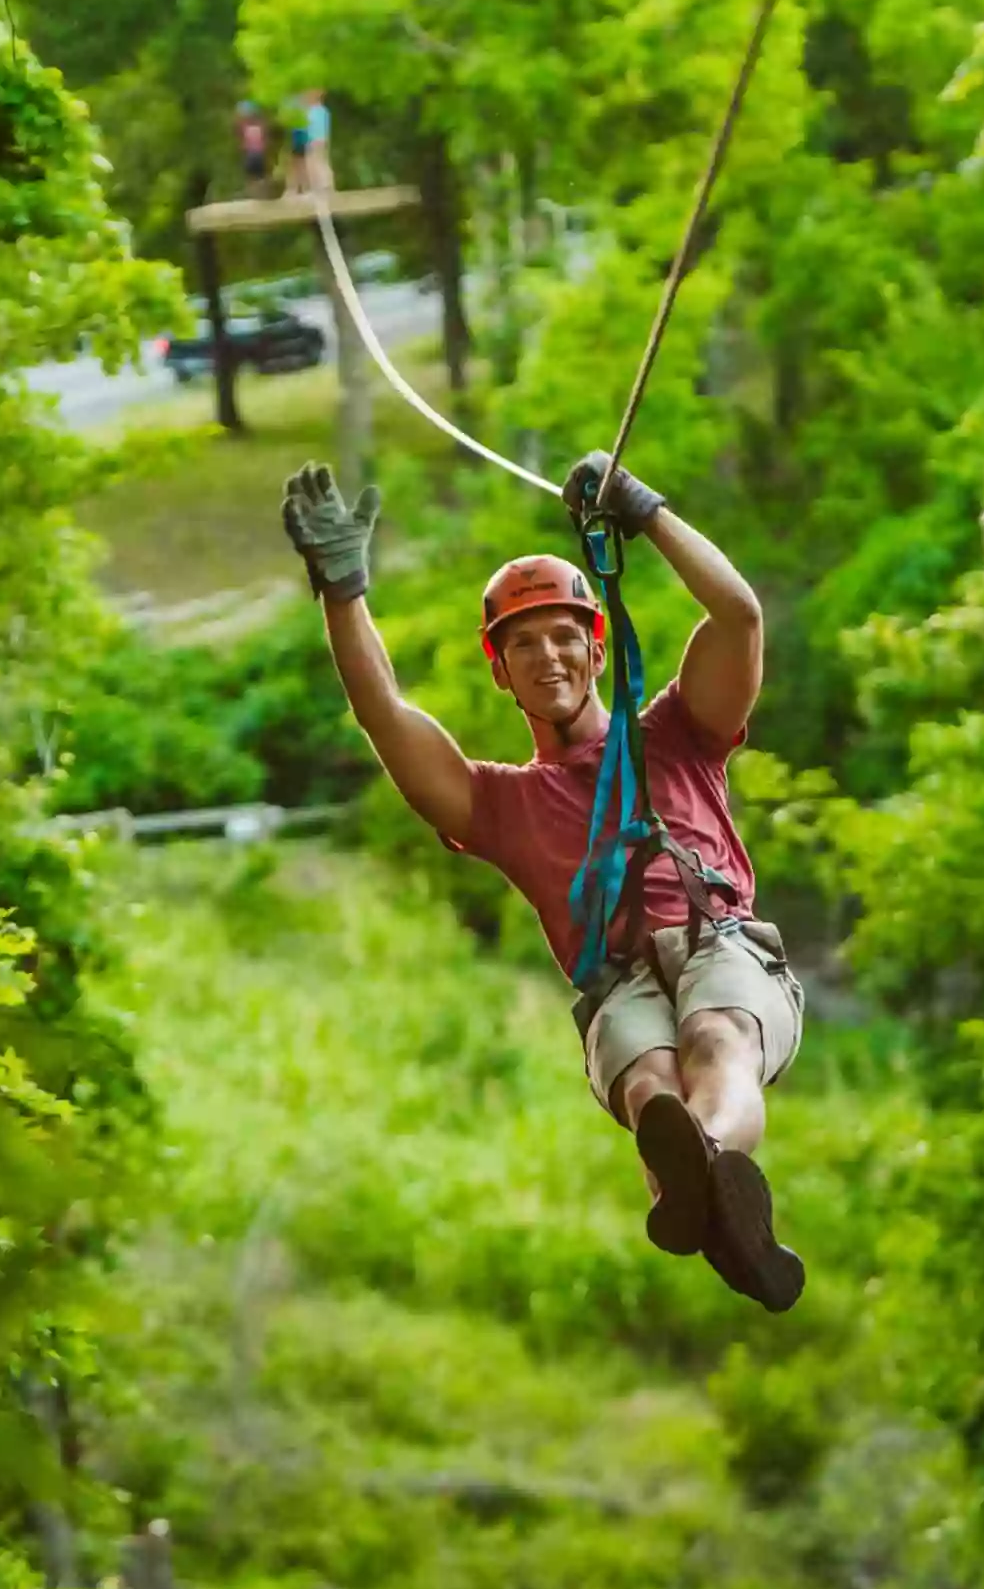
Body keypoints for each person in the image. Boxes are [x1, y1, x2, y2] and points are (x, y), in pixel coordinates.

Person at [277, 455, 808, 1312]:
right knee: (647, 1084)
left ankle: (702, 1165)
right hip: (619, 982)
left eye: (564, 634)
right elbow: (386, 715)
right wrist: (343, 592)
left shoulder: (678, 731)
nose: (547, 655)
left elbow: (738, 615)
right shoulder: (501, 803)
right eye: (523, 642)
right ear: (500, 669)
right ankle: (709, 1191)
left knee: (715, 1036)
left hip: (724, 945)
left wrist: (646, 511)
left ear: (596, 646)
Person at [235, 100, 270, 196]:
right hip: (254, 153)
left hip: (256, 153)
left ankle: (258, 191)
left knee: (256, 174)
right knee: (254, 174)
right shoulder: (249, 125)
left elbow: (265, 138)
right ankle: (255, 192)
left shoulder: (256, 125)